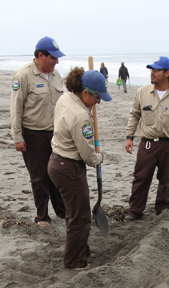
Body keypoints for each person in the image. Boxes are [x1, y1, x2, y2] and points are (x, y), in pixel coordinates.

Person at [48, 68, 111, 270]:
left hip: (56, 162)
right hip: (69, 167)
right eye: (97, 98)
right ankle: (74, 261)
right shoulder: (81, 117)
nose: (98, 103)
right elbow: (87, 155)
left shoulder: (65, 99)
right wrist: (98, 158)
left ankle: (81, 250)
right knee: (80, 217)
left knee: (74, 212)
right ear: (85, 93)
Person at [10, 36, 67, 227]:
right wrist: (17, 137)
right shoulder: (23, 76)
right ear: (40, 55)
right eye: (53, 58)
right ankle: (42, 216)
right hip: (33, 134)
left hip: (55, 133)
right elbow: (16, 108)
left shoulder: (56, 75)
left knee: (57, 173)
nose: (56, 62)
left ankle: (62, 211)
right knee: (39, 176)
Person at [124, 56, 169, 221]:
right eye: (151, 70)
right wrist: (129, 137)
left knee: (166, 179)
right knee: (141, 177)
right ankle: (135, 210)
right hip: (147, 143)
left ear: (167, 73)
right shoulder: (142, 92)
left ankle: (162, 209)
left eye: (156, 70)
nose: (152, 73)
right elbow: (134, 115)